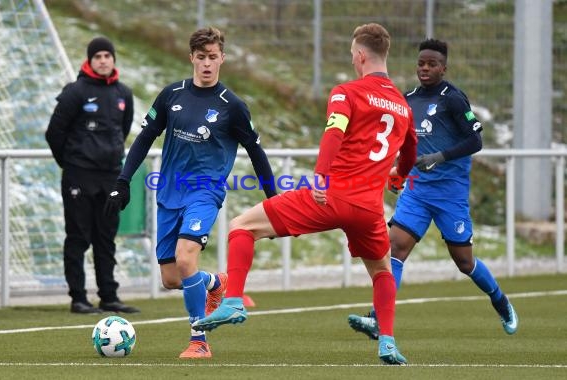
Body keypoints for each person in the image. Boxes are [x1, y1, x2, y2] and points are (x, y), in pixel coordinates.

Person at [192, 23, 417, 366]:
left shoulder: (347, 92)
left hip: (332, 196)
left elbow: (334, 133)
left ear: (359, 55)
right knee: (383, 271)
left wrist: (321, 177)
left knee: (242, 225)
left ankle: (233, 300)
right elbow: (411, 153)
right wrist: (398, 177)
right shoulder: (403, 106)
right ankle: (386, 341)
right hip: (369, 208)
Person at [103, 27, 277, 359]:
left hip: (205, 193)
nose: (207, 65)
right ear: (191, 58)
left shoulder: (233, 107)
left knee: (185, 259)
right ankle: (216, 284)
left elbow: (256, 152)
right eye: (201, 58)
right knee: (171, 278)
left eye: (213, 57)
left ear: (222, 58)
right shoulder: (172, 95)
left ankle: (199, 340)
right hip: (169, 193)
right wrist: (123, 180)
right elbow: (143, 138)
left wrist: (274, 199)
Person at [347, 38, 518, 340]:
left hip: (450, 193)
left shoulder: (453, 99)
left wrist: (439, 157)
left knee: (464, 262)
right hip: (417, 189)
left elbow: (475, 140)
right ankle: (377, 319)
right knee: (395, 249)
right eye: (421, 63)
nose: (425, 69)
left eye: (432, 64)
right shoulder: (408, 99)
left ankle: (500, 301)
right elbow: (401, 141)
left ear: (443, 68)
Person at [45, 37, 139, 315]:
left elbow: (122, 131)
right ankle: (78, 298)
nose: (102, 60)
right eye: (97, 56)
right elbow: (54, 133)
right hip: (79, 175)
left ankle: (109, 296)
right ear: (89, 60)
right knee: (78, 237)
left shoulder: (124, 93)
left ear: (113, 59)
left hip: (110, 176)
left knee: (106, 238)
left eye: (107, 55)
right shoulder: (75, 92)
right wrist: (71, 162)